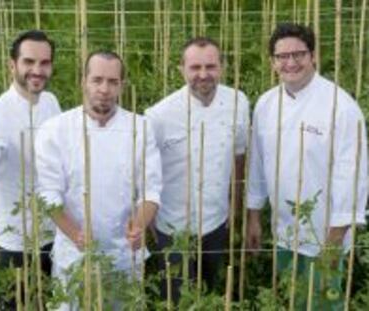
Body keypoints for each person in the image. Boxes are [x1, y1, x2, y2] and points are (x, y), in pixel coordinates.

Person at [247, 23, 368, 309]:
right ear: (273, 62)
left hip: (324, 233)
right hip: (284, 232)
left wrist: (335, 238)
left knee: (324, 304)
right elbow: (257, 164)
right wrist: (253, 216)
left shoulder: (341, 105)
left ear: (313, 55)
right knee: (291, 300)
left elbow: (353, 175)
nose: (290, 63)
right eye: (282, 57)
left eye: (298, 54)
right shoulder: (266, 104)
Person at [35, 51, 162, 309]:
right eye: (97, 80)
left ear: (121, 86)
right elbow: (48, 194)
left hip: (123, 255)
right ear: (84, 81)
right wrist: (76, 235)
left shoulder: (140, 127)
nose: (104, 89)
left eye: (112, 82)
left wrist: (138, 225)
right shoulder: (55, 129)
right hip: (74, 255)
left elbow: (151, 190)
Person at [0, 30, 61, 309]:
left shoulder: (51, 102)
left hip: (54, 233)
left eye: (44, 63)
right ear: (12, 65)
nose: (37, 70)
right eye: (29, 62)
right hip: (18, 242)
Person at [145, 37, 250, 301]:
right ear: (181, 69)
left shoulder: (238, 102)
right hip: (172, 226)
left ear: (222, 67)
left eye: (211, 66)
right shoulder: (159, 115)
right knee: (179, 299)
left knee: (212, 292)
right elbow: (145, 169)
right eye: (195, 68)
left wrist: (234, 206)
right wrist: (148, 219)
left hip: (216, 221)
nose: (203, 75)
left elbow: (239, 156)